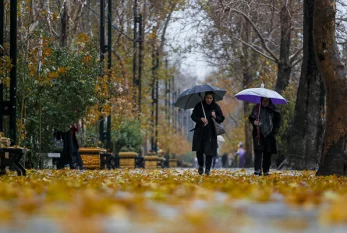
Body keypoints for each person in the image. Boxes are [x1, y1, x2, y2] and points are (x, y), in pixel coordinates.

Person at [191, 91, 225, 175]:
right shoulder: (199, 105)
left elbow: (221, 118)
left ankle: (208, 169)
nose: (209, 100)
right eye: (207, 98)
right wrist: (201, 119)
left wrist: (215, 116)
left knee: (209, 151)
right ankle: (201, 166)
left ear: (213, 98)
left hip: (211, 132)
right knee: (199, 150)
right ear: (204, 97)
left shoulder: (215, 107)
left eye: (210, 98)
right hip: (200, 131)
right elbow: (193, 116)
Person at [249, 97, 281, 176]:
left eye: (267, 101)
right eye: (264, 100)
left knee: (268, 152)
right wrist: (254, 122)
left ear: (269, 100)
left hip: (270, 134)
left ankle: (266, 170)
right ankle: (257, 169)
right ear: (261, 100)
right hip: (258, 134)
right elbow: (251, 118)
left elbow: (278, 120)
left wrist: (274, 131)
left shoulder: (274, 109)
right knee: (258, 152)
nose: (265, 102)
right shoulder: (256, 108)